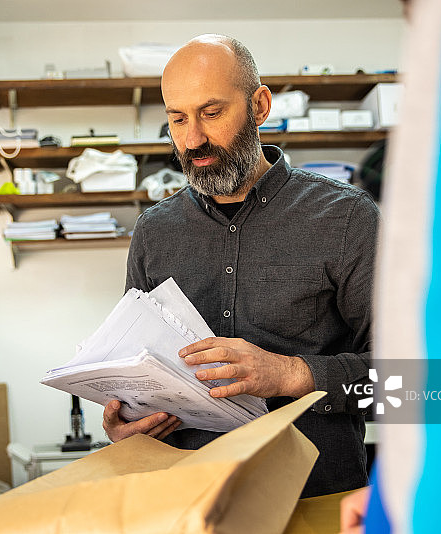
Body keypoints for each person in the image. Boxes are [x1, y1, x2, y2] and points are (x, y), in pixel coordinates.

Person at [101, 34, 378, 497]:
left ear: (260, 106)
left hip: (315, 500)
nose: (192, 140)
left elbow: (406, 386)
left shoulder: (347, 218)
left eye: (211, 113)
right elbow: (136, 368)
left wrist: (290, 373)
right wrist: (125, 423)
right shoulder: (153, 232)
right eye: (177, 119)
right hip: (185, 502)